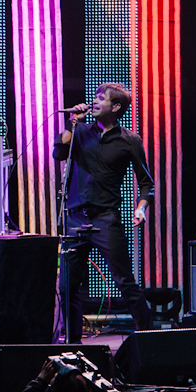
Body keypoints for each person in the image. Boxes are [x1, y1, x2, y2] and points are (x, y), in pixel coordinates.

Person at [53, 82, 153, 342]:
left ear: (116, 106)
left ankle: (152, 339)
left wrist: (141, 208)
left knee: (125, 282)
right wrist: (72, 122)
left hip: (106, 218)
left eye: (101, 98)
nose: (94, 101)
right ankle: (72, 344)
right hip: (75, 217)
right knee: (68, 286)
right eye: (94, 97)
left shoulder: (129, 140)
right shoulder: (81, 132)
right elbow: (58, 152)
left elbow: (146, 183)